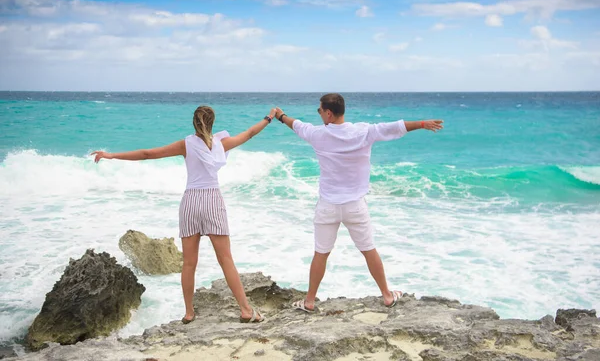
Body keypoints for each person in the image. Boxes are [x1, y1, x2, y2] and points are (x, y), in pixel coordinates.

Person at [92, 106, 278, 324]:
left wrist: (111, 155)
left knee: (189, 263)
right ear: (212, 123)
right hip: (212, 201)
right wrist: (269, 117)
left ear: (194, 123)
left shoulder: (186, 144)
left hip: (190, 201)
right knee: (226, 259)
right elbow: (249, 133)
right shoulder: (221, 144)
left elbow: (148, 154)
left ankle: (189, 313)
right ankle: (246, 310)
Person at [274, 94, 443, 312]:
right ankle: (387, 295)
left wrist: (280, 116)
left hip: (328, 206)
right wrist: (421, 124)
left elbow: (296, 125)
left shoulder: (318, 135)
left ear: (328, 113)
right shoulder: (363, 131)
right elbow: (395, 127)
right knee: (368, 249)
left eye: (319, 111)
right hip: (355, 206)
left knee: (321, 253)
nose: (318, 114)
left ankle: (309, 301)